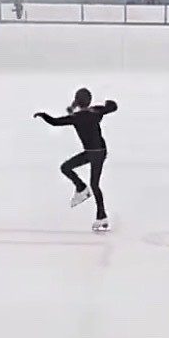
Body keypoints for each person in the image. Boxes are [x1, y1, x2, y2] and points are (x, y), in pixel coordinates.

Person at [34, 88, 118, 231]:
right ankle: (85, 193)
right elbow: (112, 106)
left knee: (72, 171)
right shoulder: (96, 112)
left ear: (77, 102)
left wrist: (43, 115)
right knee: (82, 177)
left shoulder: (77, 117)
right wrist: (106, 103)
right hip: (98, 151)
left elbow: (55, 122)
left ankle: (97, 209)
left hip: (95, 153)